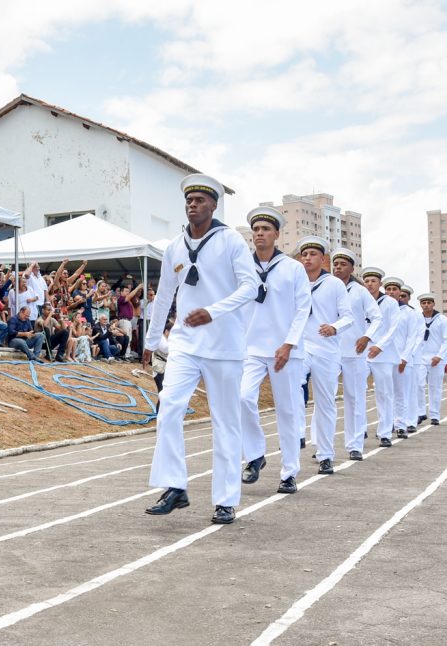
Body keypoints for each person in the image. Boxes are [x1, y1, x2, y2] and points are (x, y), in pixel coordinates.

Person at [142, 173, 259, 525]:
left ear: (213, 205)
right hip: (185, 345)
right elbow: (164, 297)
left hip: (224, 346)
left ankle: (225, 500)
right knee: (169, 409)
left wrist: (213, 311)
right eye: (189, 201)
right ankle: (176, 485)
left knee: (225, 423)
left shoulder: (231, 242)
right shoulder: (175, 246)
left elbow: (251, 287)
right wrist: (150, 342)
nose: (193, 205)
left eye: (200, 201)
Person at [239, 206, 310, 494]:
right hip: (252, 348)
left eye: (265, 229)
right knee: (242, 397)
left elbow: (304, 308)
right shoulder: (243, 266)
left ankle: (289, 472)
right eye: (255, 229)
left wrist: (289, 343)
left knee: (288, 411)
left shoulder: (293, 268)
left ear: (277, 234)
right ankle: (255, 455)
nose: (259, 234)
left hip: (286, 350)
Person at [296, 235, 353, 475]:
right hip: (301, 345)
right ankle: (298, 433)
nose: (308, 259)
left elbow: (348, 316)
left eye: (313, 255)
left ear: (323, 259)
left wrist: (334, 327)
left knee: (325, 403)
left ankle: (326, 455)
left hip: (327, 349)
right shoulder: (294, 281)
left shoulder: (334, 284)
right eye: (304, 255)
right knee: (294, 385)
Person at [331, 247, 381, 461]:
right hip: (330, 351)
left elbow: (377, 317)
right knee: (326, 399)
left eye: (343, 264)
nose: (338, 268)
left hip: (354, 351)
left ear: (352, 268)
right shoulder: (327, 286)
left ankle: (355, 445)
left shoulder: (360, 291)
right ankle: (322, 444)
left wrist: (366, 337)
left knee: (355, 399)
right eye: (336, 264)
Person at [362, 267, 400, 448]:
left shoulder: (390, 303)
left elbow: (393, 328)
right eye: (367, 281)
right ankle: (359, 428)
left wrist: (379, 346)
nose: (369, 284)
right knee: (356, 391)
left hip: (383, 354)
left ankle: (385, 432)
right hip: (362, 353)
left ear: (380, 284)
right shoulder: (360, 299)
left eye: (373, 281)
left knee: (384, 393)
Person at [416, 293, 447, 426]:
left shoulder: (441, 319)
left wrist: (439, 356)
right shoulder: (417, 318)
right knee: (418, 385)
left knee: (435, 387)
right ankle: (420, 413)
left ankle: (435, 415)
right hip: (420, 357)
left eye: (429, 302)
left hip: (436, 358)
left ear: (433, 304)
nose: (426, 305)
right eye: (423, 303)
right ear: (420, 305)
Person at [397, 285, 425, 434]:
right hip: (393, 358)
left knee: (410, 391)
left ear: (408, 298)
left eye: (404, 296)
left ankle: (410, 421)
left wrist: (408, 355)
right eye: (399, 295)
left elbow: (418, 337)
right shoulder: (390, 310)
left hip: (411, 358)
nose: (401, 298)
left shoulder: (415, 314)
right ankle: (396, 421)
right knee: (395, 392)